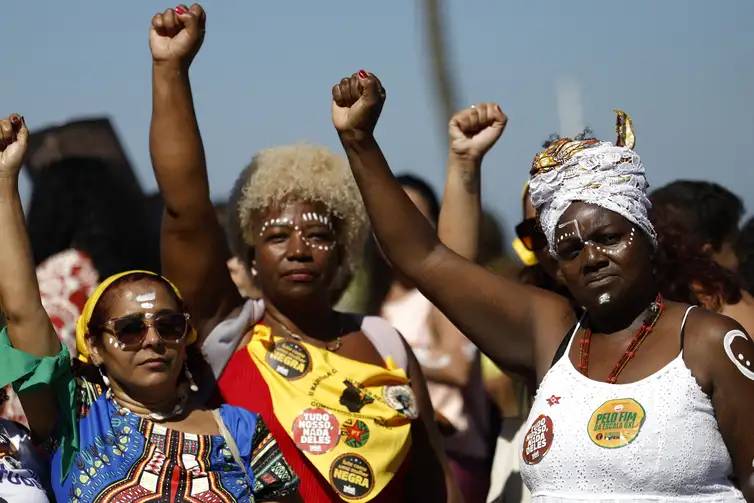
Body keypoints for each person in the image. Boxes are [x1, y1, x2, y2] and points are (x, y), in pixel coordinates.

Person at [332, 71, 754, 501]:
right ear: (555, 266)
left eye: (609, 237)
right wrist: (359, 141)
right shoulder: (553, 334)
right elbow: (424, 258)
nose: (591, 258)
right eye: (571, 249)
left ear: (648, 236)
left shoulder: (706, 341)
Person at [148, 5, 459, 503]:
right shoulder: (224, 330)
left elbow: (434, 481)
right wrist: (171, 70)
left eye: (317, 235)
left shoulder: (385, 343)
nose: (297, 249)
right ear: (248, 256)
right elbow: (186, 211)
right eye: (276, 237)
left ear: (345, 251)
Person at [0, 114, 300, 502]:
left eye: (169, 325)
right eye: (129, 330)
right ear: (95, 346)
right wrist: (6, 182)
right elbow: (23, 310)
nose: (153, 340)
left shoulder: (239, 429)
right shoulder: (75, 418)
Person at [649, 180, 754, 334]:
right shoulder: (729, 301)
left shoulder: (632, 300)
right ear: (708, 249)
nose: (741, 257)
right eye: (734, 244)